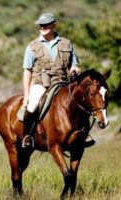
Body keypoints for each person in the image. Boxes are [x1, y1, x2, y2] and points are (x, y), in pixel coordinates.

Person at [20, 12, 81, 148]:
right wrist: (26, 95)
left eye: (46, 24)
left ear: (54, 25)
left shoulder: (66, 43)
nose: (42, 27)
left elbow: (74, 65)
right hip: (41, 83)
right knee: (32, 106)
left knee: (80, 102)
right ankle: (27, 137)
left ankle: (81, 134)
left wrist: (75, 71)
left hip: (63, 82)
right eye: (40, 25)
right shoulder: (32, 47)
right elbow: (27, 71)